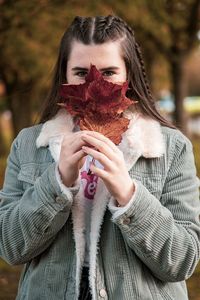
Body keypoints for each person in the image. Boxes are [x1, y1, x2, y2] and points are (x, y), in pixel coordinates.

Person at [0, 15, 200, 300]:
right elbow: (10, 247)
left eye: (108, 73)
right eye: (80, 72)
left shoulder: (170, 147)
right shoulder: (30, 145)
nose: (94, 84)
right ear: (64, 76)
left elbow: (182, 260)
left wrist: (129, 195)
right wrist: (56, 183)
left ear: (128, 76)